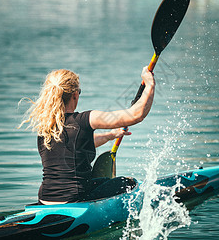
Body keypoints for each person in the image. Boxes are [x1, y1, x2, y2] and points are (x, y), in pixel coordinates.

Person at [20, 67, 155, 205]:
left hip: (45, 199)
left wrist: (111, 135)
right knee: (127, 182)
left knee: (104, 182)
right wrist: (150, 84)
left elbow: (75, 145)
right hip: (74, 200)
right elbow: (137, 114)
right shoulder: (86, 119)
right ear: (74, 94)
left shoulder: (46, 126)